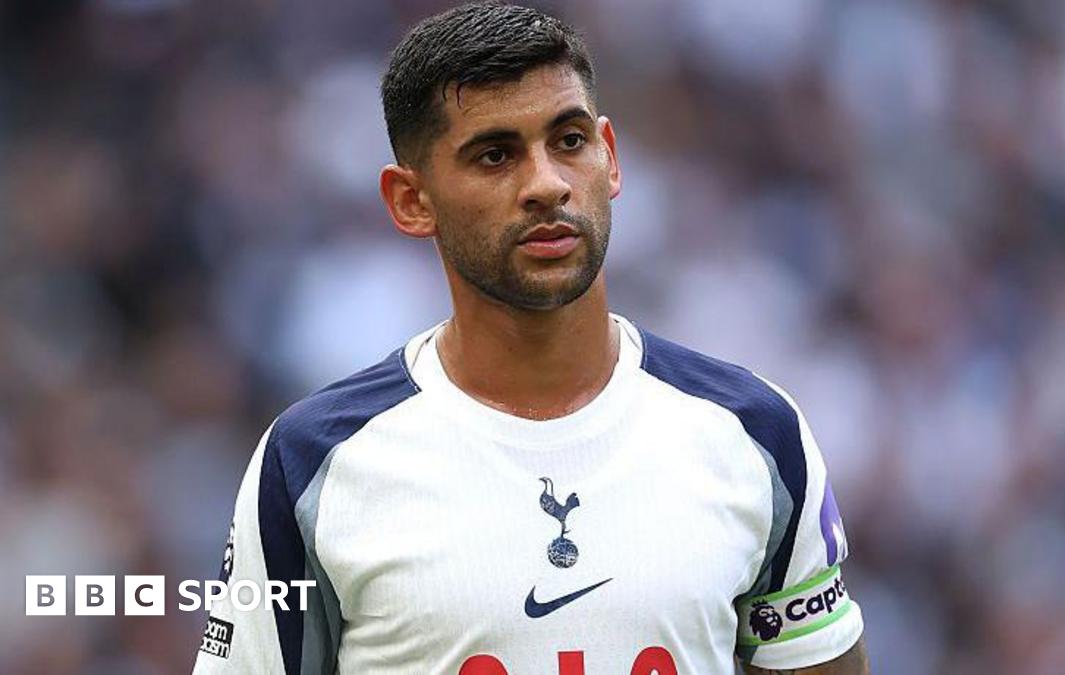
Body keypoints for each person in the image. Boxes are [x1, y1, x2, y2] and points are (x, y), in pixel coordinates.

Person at [192, 2, 868, 673]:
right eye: (494, 155)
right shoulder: (313, 462)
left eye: (569, 141)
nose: (546, 184)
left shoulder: (754, 433)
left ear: (609, 158)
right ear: (410, 200)